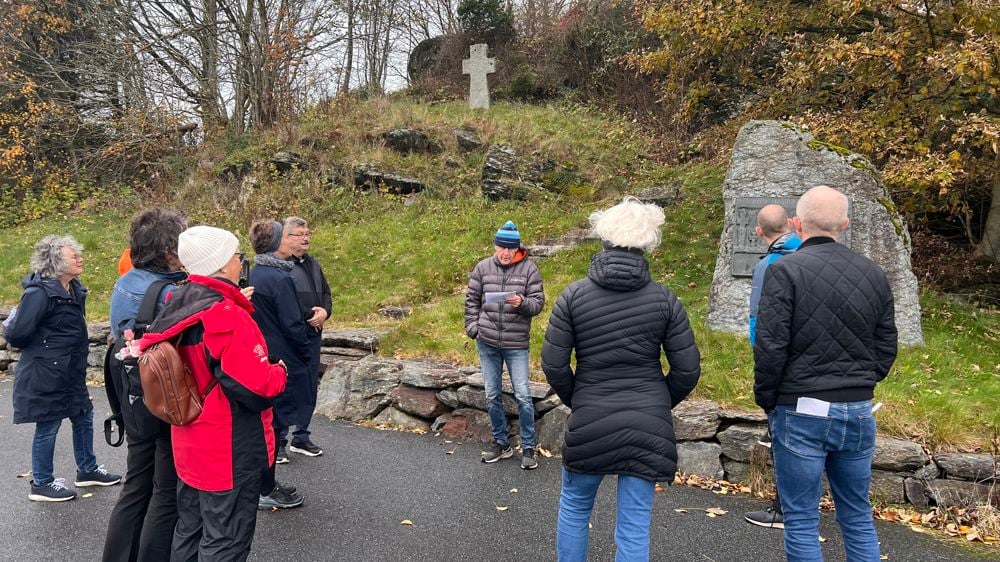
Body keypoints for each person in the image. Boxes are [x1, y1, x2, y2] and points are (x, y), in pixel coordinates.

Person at [542, 197, 701, 562]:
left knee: (575, 509)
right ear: (647, 244)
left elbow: (553, 364)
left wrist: (579, 397)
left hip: (591, 418)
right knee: (633, 526)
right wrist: (658, 402)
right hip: (647, 423)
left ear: (603, 238)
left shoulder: (573, 296)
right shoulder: (665, 300)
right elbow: (687, 370)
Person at [754, 185, 898, 562]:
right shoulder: (874, 273)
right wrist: (863, 382)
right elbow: (887, 344)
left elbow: (770, 346)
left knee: (801, 518)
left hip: (800, 406)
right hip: (858, 407)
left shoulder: (783, 271)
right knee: (857, 514)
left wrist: (768, 399)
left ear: (798, 223)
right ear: (845, 224)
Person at [138, 225, 287, 561]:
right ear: (221, 264)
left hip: (189, 440)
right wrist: (279, 373)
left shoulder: (179, 300)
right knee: (226, 539)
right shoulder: (225, 314)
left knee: (190, 530)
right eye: (236, 255)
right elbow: (255, 386)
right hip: (227, 447)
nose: (240, 261)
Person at [5, 235, 122, 502]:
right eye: (74, 256)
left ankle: (87, 470)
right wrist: (48, 352)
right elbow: (17, 334)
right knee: (49, 424)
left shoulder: (73, 288)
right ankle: (42, 483)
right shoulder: (39, 293)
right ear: (56, 261)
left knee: (84, 416)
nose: (80, 258)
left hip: (69, 371)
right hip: (46, 373)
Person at [103, 209, 188, 561]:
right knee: (166, 489)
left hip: (132, 394)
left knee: (137, 482)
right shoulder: (168, 293)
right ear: (169, 250)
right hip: (160, 395)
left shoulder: (128, 280)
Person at [464, 220, 545, 469]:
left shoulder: (529, 269)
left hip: (516, 343)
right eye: (502, 247)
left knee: (522, 395)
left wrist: (522, 302)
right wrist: (473, 327)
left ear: (518, 248)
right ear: (495, 245)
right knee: (492, 395)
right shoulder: (482, 268)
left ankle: (529, 448)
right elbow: (471, 300)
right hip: (487, 341)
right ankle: (501, 444)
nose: (506, 252)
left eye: (510, 248)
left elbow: (538, 303)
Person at [744, 204, 800, 530]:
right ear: (791, 225)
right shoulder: (811, 256)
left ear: (759, 231)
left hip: (783, 367)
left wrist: (760, 362)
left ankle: (782, 509)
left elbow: (759, 323)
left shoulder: (768, 266)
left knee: (783, 435)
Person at [247, 220, 309, 510]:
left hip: (260, 353)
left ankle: (264, 484)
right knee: (273, 425)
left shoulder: (256, 272)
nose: (291, 239)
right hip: (280, 358)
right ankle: (266, 488)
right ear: (275, 243)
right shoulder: (280, 277)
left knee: (267, 425)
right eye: (285, 235)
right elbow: (292, 323)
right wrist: (305, 350)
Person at [281, 216, 331, 458]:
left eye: (307, 233)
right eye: (299, 234)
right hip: (290, 338)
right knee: (285, 386)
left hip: (313, 335)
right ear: (285, 237)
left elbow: (326, 292)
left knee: (309, 385)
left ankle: (301, 437)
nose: (306, 238)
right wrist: (309, 314)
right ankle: (279, 442)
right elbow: (284, 301)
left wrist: (325, 312)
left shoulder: (313, 263)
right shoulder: (281, 267)